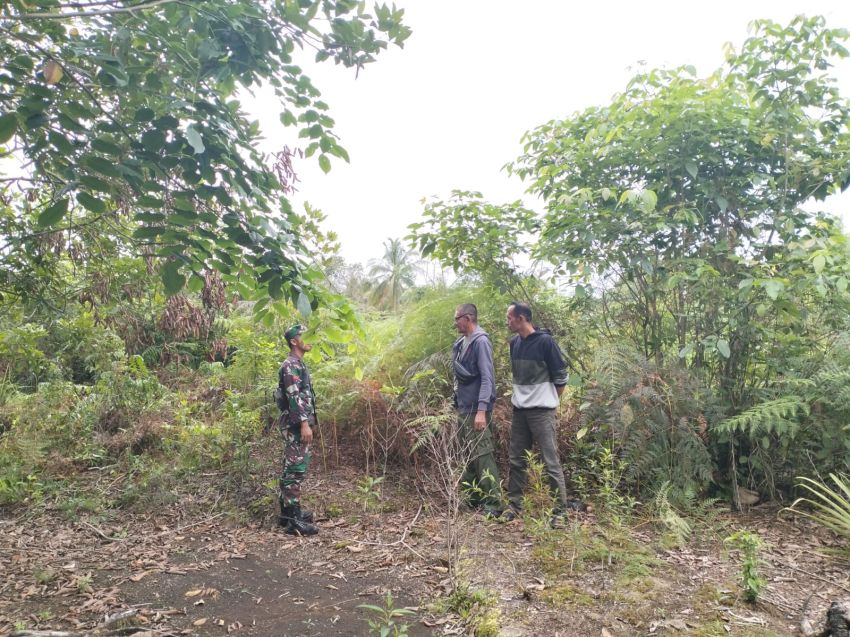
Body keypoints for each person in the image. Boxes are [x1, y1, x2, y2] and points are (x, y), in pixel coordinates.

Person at [503, 301, 579, 524]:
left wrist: (549, 400)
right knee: (516, 459)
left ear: (522, 318)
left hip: (542, 412)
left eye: (509, 317)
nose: (507, 321)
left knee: (550, 460)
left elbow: (561, 377)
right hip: (520, 411)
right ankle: (514, 505)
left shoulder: (546, 342)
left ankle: (560, 511)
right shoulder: (514, 343)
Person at [451, 304, 504, 515]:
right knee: (467, 455)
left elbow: (487, 378)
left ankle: (494, 504)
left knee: (483, 455)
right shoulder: (460, 343)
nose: (455, 323)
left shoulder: (481, 342)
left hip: (476, 409)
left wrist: (482, 410)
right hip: (463, 407)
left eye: (457, 319)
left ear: (468, 318)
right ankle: (472, 499)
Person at [276, 323, 319, 536]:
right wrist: (304, 424)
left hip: (297, 423)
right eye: (305, 335)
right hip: (295, 425)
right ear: (294, 341)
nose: (309, 339)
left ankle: (288, 514)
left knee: (292, 467)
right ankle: (293, 520)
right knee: (295, 469)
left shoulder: (297, 364)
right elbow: (294, 397)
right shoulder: (290, 365)